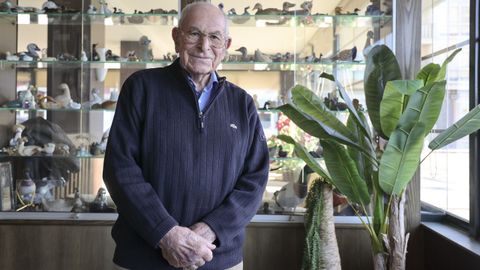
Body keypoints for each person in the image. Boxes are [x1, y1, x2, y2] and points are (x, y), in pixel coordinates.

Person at [103, 2, 269, 270]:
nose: (204, 46)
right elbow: (119, 169)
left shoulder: (243, 104)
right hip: (144, 258)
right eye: (194, 33)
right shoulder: (141, 88)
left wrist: (209, 230)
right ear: (176, 37)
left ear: (226, 45)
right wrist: (167, 234)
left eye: (214, 37)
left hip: (218, 258)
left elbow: (255, 180)